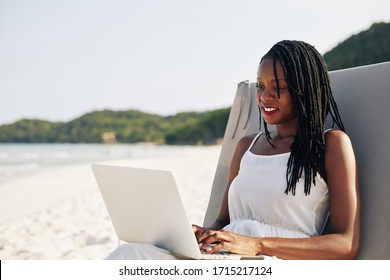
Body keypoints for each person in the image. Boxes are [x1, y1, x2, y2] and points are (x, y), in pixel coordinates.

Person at [107, 40, 361, 260]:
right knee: (130, 254)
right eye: (260, 86)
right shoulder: (247, 146)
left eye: (278, 88)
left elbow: (345, 244)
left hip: (275, 260)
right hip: (227, 257)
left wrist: (255, 244)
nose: (264, 97)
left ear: (305, 89)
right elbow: (222, 222)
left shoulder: (331, 145)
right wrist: (198, 235)